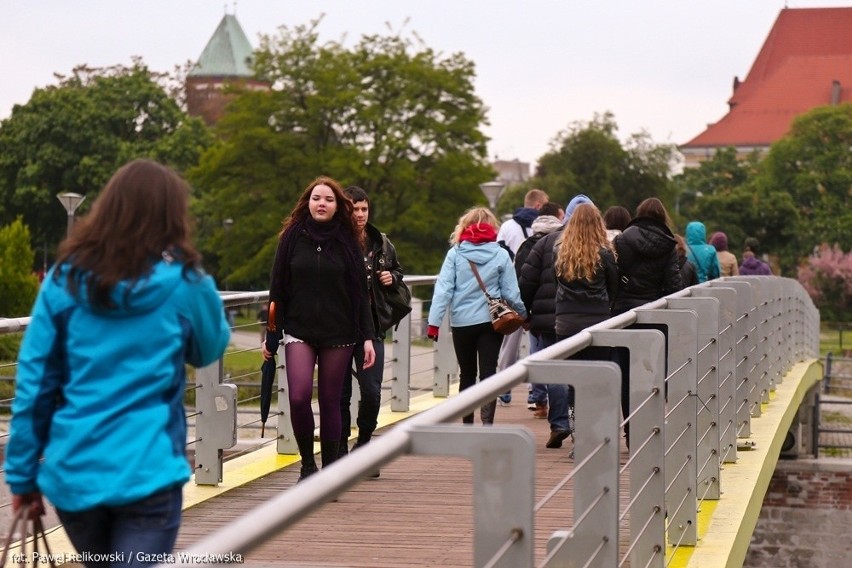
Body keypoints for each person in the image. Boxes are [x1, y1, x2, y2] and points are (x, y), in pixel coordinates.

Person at [4, 159, 231, 566]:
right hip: (149, 472)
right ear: (172, 215)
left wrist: (21, 474)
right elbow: (209, 348)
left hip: (76, 474)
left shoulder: (62, 281)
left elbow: (35, 386)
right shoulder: (186, 284)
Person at [263, 176, 376, 482]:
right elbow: (278, 288)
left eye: (328, 199)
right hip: (299, 329)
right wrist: (271, 335)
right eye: (316, 198)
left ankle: (328, 475)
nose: (321, 203)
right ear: (308, 202)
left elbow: (359, 293)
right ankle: (307, 466)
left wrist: (367, 336)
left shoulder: (348, 241)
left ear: (338, 205)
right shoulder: (291, 237)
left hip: (339, 333)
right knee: (298, 396)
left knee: (330, 401)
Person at [427, 207, 527, 425]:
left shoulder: (456, 253)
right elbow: (511, 292)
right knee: (489, 372)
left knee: (467, 373)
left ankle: (467, 423)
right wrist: (523, 314)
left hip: (462, 322)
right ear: (492, 227)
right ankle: (487, 423)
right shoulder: (501, 254)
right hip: (492, 322)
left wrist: (434, 323)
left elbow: (444, 289)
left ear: (465, 226)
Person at [337, 186, 404, 472]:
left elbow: (399, 271)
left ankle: (363, 445)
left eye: (364, 209)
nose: (361, 214)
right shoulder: (332, 241)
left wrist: (392, 276)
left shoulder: (381, 242)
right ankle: (338, 448)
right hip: (338, 328)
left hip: (373, 327)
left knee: (373, 391)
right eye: (355, 209)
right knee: (340, 395)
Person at [518, 194, 591, 444]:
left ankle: (560, 423)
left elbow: (527, 280)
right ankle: (579, 426)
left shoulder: (546, 242)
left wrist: (525, 313)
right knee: (586, 374)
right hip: (594, 321)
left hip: (553, 319)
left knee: (559, 371)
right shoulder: (600, 245)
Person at [612, 197, 683, 447]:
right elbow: (674, 285)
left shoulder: (622, 240)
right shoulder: (668, 245)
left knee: (625, 375)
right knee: (652, 373)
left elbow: (613, 275)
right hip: (654, 316)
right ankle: (650, 427)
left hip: (622, 315)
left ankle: (631, 431)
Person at [552, 202, 619, 448]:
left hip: (566, 323)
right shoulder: (605, 253)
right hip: (598, 322)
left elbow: (556, 282)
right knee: (599, 380)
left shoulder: (559, 251)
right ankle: (597, 433)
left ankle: (576, 434)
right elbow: (614, 288)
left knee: (573, 382)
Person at [494, 188, 548, 405]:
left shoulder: (507, 227)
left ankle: (503, 389)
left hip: (513, 290)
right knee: (539, 343)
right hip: (540, 291)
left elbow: (499, 258)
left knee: (510, 342)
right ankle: (535, 392)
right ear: (538, 206)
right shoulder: (548, 229)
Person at [514, 201, 564, 418]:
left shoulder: (529, 244)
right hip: (567, 312)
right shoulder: (567, 242)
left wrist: (524, 312)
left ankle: (542, 402)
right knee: (567, 367)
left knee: (542, 359)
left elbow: (524, 279)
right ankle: (568, 419)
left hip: (540, 315)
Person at [495, 188, 549, 255]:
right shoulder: (545, 226)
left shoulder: (506, 226)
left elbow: (498, 251)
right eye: (546, 206)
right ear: (538, 206)